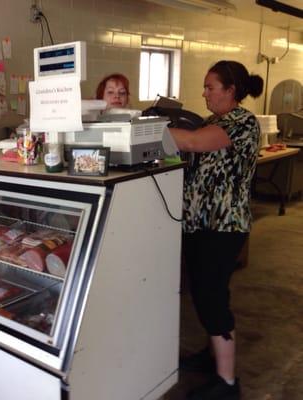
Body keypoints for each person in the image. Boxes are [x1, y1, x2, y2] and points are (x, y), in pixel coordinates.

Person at [170, 60, 263, 400]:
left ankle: (226, 382)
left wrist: (143, 130)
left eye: (211, 87)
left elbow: (192, 142)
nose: (205, 93)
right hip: (200, 225)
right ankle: (213, 354)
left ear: (231, 90)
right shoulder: (215, 120)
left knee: (212, 298)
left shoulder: (243, 123)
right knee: (204, 293)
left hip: (223, 227)